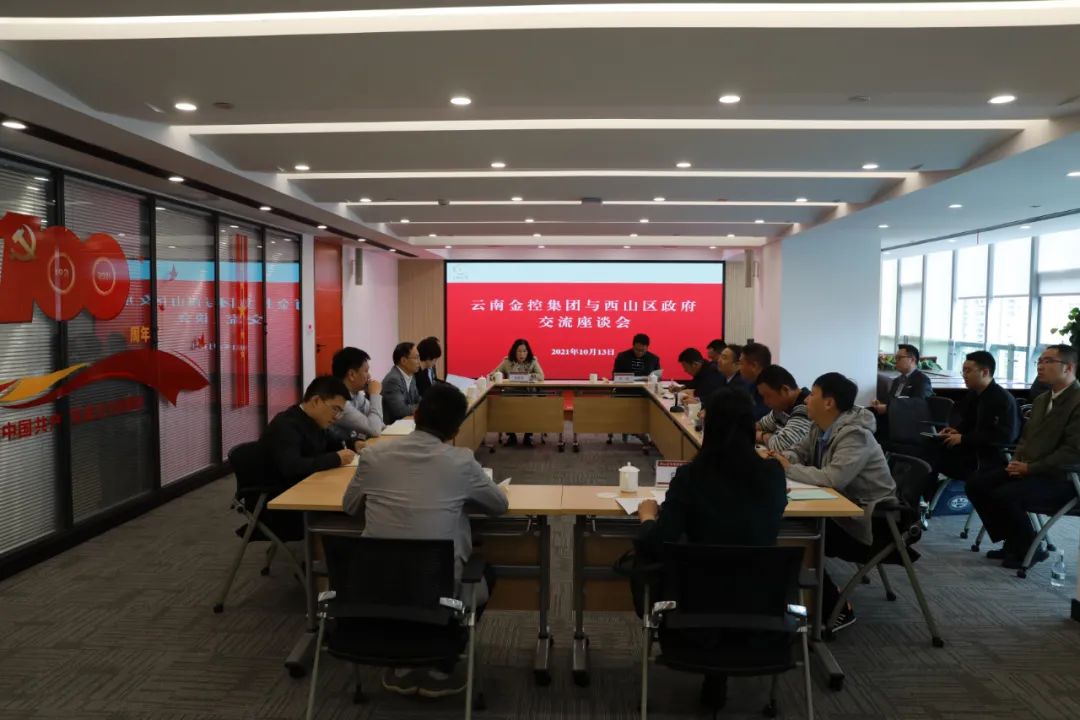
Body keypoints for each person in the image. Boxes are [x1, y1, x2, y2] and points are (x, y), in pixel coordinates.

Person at [343, 383, 509, 698]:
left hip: (376, 585)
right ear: (457, 429)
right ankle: (441, 663)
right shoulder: (461, 461)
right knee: (484, 573)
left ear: (416, 415)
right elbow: (499, 506)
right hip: (438, 587)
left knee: (403, 574)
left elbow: (349, 507)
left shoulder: (374, 455)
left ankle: (401, 662)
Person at [635, 388, 787, 710]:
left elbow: (659, 542)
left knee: (644, 562)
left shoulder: (691, 477)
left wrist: (647, 518)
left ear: (710, 428)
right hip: (760, 608)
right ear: (750, 428)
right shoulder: (773, 476)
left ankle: (712, 669)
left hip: (692, 610)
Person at [767, 372, 896, 633]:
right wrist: (783, 457)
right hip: (841, 512)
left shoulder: (855, 435)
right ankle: (798, 598)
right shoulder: (820, 427)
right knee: (786, 527)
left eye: (813, 394)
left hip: (871, 524)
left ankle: (834, 607)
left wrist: (787, 468)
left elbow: (832, 478)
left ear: (829, 402)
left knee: (798, 537)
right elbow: (799, 453)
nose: (807, 399)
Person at [965, 344, 1080, 569]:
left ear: (1068, 367)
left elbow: (1073, 452)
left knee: (1006, 494)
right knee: (977, 484)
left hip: (1065, 479)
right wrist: (1017, 462)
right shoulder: (1042, 400)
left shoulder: (1077, 401)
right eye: (1040, 361)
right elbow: (1025, 438)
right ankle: (1016, 542)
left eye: (1048, 361)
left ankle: (1029, 548)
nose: (1040, 366)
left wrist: (1030, 468)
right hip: (1033, 470)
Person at [935, 351, 1018, 485]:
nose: (964, 375)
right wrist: (957, 430)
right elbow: (968, 422)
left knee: (935, 456)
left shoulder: (1002, 399)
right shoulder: (974, 394)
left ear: (984, 372)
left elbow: (1005, 436)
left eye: (968, 371)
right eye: (963, 371)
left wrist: (963, 438)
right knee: (932, 446)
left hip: (988, 454)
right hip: (973, 445)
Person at [489, 338, 545, 446]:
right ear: (514, 352)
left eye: (524, 351)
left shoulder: (533, 361)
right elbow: (492, 375)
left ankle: (528, 436)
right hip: (511, 393)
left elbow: (541, 376)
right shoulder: (507, 362)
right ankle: (511, 436)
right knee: (506, 407)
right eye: (519, 351)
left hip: (528, 393)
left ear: (528, 352)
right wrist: (498, 377)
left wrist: (527, 377)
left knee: (532, 407)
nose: (522, 354)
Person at [330, 346, 385, 443]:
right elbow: (375, 430)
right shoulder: (339, 401)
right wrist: (375, 394)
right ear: (351, 375)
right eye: (366, 371)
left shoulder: (357, 394)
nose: (369, 376)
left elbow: (380, 424)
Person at [754, 365, 813, 453]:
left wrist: (761, 436)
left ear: (785, 390)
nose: (765, 402)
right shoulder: (781, 408)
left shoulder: (806, 407)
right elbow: (761, 425)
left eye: (768, 396)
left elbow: (780, 446)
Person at [382, 341, 422, 424]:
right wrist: (424, 406)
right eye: (416, 358)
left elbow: (417, 399)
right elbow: (401, 411)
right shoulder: (393, 380)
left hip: (406, 423)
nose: (419, 361)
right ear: (403, 361)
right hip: (392, 427)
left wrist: (429, 403)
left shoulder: (411, 375)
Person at [738, 342, 773, 420]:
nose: (739, 368)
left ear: (754, 366)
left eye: (741, 363)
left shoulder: (774, 390)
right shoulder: (748, 385)